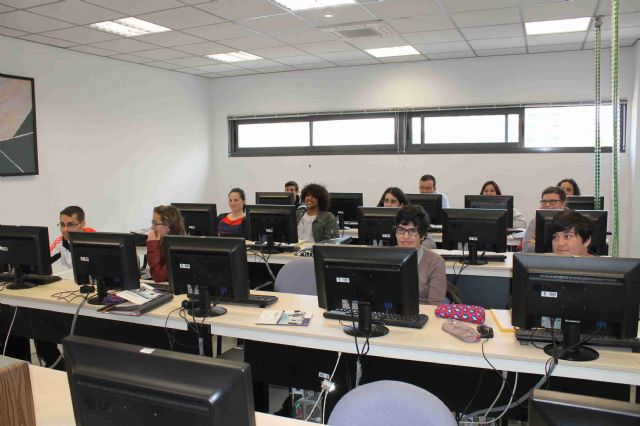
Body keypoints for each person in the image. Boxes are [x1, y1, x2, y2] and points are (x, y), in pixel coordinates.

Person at [395, 205, 447, 305]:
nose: (405, 236)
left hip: (423, 315)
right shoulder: (386, 257)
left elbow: (435, 305)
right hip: (390, 314)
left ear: (422, 235)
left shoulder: (435, 262)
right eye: (401, 230)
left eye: (413, 231)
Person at [521, 186, 567, 253]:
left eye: (552, 201)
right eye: (544, 201)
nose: (547, 204)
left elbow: (572, 248)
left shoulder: (572, 221)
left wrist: (540, 244)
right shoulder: (535, 221)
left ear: (563, 204)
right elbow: (526, 249)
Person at [146, 205, 186, 282]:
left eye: (155, 223)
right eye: (152, 223)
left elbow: (157, 277)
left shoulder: (178, 249)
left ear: (168, 226)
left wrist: (152, 244)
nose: (152, 227)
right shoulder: (163, 242)